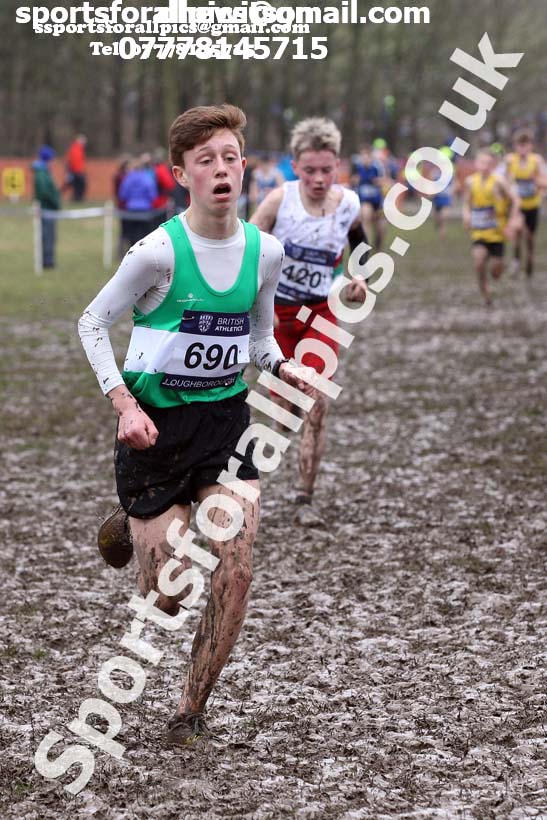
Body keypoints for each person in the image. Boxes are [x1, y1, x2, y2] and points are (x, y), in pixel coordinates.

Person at [78, 104, 310, 745]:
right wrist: (124, 405)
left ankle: (190, 710)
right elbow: (91, 323)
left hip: (226, 428)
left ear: (244, 166)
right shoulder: (155, 253)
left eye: (230, 157)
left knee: (235, 566)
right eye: (205, 160)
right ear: (182, 173)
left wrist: (282, 367)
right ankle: (132, 521)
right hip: (154, 432)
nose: (221, 169)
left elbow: (259, 332)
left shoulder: (266, 252)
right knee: (170, 593)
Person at [251, 117, 366, 517]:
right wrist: (257, 306)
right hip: (277, 317)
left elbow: (361, 246)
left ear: (338, 167)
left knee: (318, 401)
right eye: (310, 170)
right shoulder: (278, 201)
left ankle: (305, 498)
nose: (319, 179)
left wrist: (359, 279)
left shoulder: (349, 204)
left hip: (321, 313)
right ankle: (285, 411)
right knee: (286, 410)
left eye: (327, 170)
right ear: (295, 166)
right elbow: (248, 253)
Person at [462, 150, 521, 306]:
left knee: (496, 271)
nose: (485, 166)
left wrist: (513, 220)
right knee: (479, 262)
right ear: (476, 163)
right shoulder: (470, 182)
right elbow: (466, 204)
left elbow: (515, 200)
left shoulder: (499, 181)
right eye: (482, 162)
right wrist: (466, 215)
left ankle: (495, 274)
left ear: (493, 165)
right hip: (479, 231)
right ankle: (485, 292)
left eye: (488, 163)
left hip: (497, 233)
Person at [504, 130, 546, 277]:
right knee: (518, 230)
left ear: (531, 146)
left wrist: (536, 180)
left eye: (525, 145)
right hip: (517, 205)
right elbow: (503, 181)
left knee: (529, 237)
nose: (522, 149)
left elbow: (545, 183)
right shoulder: (510, 160)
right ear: (515, 146)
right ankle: (516, 260)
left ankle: (529, 259)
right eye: (519, 145)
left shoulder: (537, 161)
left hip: (533, 205)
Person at [350, 144, 386, 250]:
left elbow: (384, 181)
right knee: (366, 218)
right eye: (363, 156)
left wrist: (377, 181)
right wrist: (355, 180)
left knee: (381, 229)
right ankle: (366, 246)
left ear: (371, 157)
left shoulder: (377, 167)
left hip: (377, 201)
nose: (365, 158)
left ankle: (378, 246)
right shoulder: (357, 168)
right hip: (364, 200)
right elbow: (351, 181)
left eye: (367, 156)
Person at [118, 156, 158, 246]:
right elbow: (153, 195)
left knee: (132, 236)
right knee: (145, 235)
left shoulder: (128, 178)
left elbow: (122, 195)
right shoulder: (147, 178)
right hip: (145, 210)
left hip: (131, 210)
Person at [31, 145, 61, 268]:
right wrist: (55, 201)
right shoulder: (42, 174)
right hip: (46, 209)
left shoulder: (44, 172)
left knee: (50, 236)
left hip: (48, 209)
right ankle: (47, 261)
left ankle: (48, 259)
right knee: (47, 236)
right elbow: (45, 192)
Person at [64, 134, 87, 202]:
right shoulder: (75, 149)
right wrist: (69, 170)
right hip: (75, 171)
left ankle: (77, 198)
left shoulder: (79, 149)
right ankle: (77, 198)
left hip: (77, 170)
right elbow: (70, 160)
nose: (84, 143)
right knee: (76, 184)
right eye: (83, 142)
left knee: (75, 184)